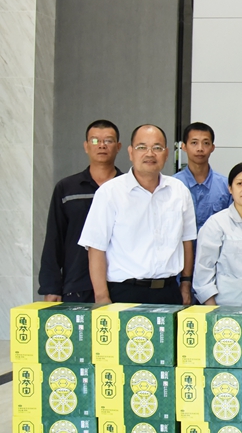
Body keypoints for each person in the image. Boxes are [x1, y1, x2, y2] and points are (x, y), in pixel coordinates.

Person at [79, 124, 196, 305]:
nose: (150, 154)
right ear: (130, 152)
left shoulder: (179, 190)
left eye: (157, 148)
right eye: (142, 147)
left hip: (169, 292)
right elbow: (96, 248)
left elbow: (186, 241)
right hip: (124, 293)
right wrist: (102, 297)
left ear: (166, 153)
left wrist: (186, 285)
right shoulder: (110, 192)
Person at [39, 120, 123, 302]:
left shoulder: (128, 188)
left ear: (118, 147)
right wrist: (51, 286)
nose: (101, 145)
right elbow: (55, 238)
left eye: (108, 141)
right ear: (86, 146)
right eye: (95, 140)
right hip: (77, 284)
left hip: (121, 284)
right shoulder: (67, 188)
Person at [193, 162, 242, 306]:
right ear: (230, 188)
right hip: (226, 309)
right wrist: (213, 310)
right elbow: (203, 271)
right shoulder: (216, 224)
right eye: (240, 184)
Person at [173, 121, 231, 230]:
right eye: (194, 143)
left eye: (206, 143)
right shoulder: (173, 185)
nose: (200, 148)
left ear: (212, 147)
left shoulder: (225, 185)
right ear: (184, 146)